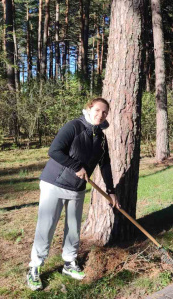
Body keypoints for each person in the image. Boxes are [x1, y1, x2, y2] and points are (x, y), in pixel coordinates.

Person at [26, 97, 119, 291]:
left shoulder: (101, 138)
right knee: (47, 226)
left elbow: (105, 165)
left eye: (104, 112)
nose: (100, 115)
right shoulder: (74, 126)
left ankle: (69, 263)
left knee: (74, 228)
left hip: (77, 188)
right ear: (89, 109)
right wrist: (76, 166)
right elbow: (54, 151)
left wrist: (111, 191)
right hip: (55, 183)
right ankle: (34, 267)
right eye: (97, 110)